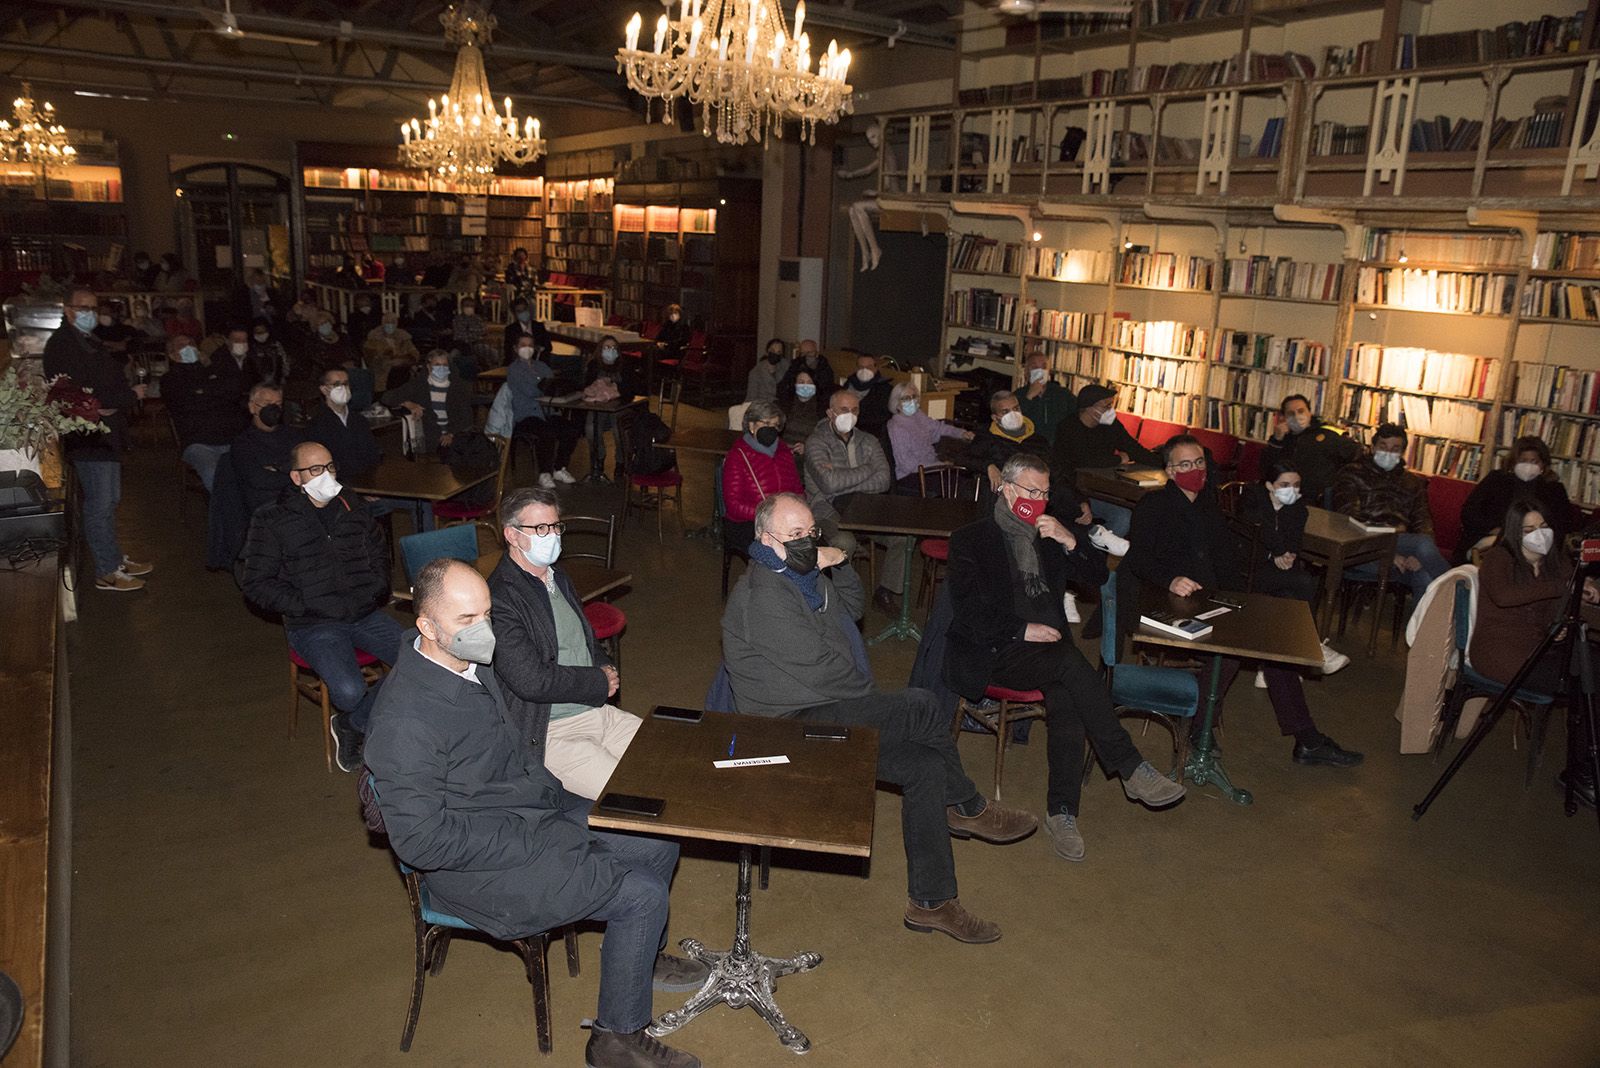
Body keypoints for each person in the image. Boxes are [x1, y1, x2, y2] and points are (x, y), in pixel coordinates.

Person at [364, 558, 707, 1068]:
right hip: (478, 865)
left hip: (528, 816)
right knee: (642, 894)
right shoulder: (406, 720)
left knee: (656, 837)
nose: (483, 630)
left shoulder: (472, 666)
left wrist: (555, 805)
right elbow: (420, 843)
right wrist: (535, 838)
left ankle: (642, 958)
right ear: (426, 627)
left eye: (486, 614)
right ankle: (615, 1039)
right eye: (466, 621)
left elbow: (513, 753)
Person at [721, 493, 1038, 943]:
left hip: (822, 711)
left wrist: (838, 563)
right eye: (794, 536)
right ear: (764, 539)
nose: (806, 543)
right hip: (787, 729)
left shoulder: (799, 573)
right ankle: (967, 805)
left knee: (926, 767)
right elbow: (826, 672)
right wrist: (875, 704)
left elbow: (852, 608)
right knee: (920, 705)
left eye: (810, 533)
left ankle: (932, 902)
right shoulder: (763, 595)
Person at [946, 454, 1185, 862]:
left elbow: (1096, 576)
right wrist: (1022, 630)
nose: (1037, 501)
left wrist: (1071, 539)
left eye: (1044, 493)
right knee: (1070, 664)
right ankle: (1129, 767)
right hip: (996, 649)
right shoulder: (972, 538)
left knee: (1069, 692)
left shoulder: (1050, 531)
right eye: (1030, 492)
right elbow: (969, 611)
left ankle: (1063, 813)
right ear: (1005, 488)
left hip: (1050, 652)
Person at [1124, 435, 1363, 768]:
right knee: (1231, 651)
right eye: (1184, 464)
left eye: (1198, 463)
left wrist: (1242, 600)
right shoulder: (1154, 505)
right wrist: (1171, 580)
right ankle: (1199, 730)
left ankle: (1307, 739)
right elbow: (1138, 559)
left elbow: (1226, 561)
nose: (1194, 470)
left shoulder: (1208, 506)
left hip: (1207, 598)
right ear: (1169, 470)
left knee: (1269, 641)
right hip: (1163, 599)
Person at [240, 441, 402, 771]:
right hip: (313, 623)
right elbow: (255, 582)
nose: (326, 475)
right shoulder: (272, 519)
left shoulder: (352, 509)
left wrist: (372, 593)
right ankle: (357, 714)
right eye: (315, 470)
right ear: (296, 478)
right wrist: (305, 605)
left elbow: (379, 559)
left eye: (330, 467)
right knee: (348, 690)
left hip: (362, 612)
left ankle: (352, 724)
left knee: (426, 659)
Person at [489, 488, 642, 797]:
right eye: (541, 529)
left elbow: (584, 639)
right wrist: (597, 681)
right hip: (551, 731)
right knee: (631, 792)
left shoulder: (557, 577)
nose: (553, 535)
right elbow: (531, 680)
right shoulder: (500, 598)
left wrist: (602, 665)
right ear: (512, 535)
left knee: (666, 758)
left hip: (596, 712)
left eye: (556, 526)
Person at [1472, 499, 1600, 807]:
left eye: (1543, 527)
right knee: (1588, 680)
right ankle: (1583, 774)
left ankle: (1584, 769)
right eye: (1529, 529)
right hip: (1501, 653)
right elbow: (1505, 597)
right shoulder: (1499, 558)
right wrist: (1563, 588)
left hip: (1542, 647)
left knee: (1594, 667)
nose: (1538, 534)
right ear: (1515, 532)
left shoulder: (1554, 561)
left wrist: (1582, 601)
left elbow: (1565, 606)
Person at [44, 287, 151, 592]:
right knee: (100, 504)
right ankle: (106, 570)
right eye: (83, 307)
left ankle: (114, 559)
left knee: (110, 500)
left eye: (93, 306)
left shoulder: (86, 339)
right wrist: (127, 395)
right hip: (89, 435)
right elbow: (77, 394)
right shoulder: (64, 344)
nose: (90, 312)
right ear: (68, 310)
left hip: (105, 433)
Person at [1236, 458, 1350, 675]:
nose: (1292, 490)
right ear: (1269, 485)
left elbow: (1295, 540)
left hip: (1277, 569)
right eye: (1285, 485)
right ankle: (1314, 647)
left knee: (1290, 595)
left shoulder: (1298, 508)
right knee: (1304, 582)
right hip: (1247, 567)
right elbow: (1260, 529)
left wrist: (1288, 555)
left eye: (1296, 485)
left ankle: (1271, 671)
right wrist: (1276, 552)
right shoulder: (1252, 497)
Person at [802, 389, 902, 614]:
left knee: (902, 538)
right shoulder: (816, 442)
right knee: (844, 542)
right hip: (826, 507)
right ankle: (842, 600)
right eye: (844, 410)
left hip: (866, 506)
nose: (850, 414)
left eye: (855, 409)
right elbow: (828, 485)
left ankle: (885, 591)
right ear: (830, 412)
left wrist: (841, 476)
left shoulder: (869, 440)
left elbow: (884, 481)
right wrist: (868, 469)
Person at [1330, 422, 1450, 606]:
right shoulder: (1352, 474)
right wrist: (1387, 554)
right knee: (1423, 544)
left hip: (1401, 545)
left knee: (1425, 575)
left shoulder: (1413, 483)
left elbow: (1423, 520)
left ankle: (1420, 634)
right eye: (1383, 447)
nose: (1388, 452)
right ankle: (1460, 590)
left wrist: (1417, 558)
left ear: (1402, 452)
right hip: (1361, 548)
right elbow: (1348, 520)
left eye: (1395, 449)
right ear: (1373, 447)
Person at [1050, 383, 1161, 537]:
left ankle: (1096, 548)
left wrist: (1165, 463)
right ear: (1089, 407)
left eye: (1111, 405)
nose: (1111, 410)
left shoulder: (1111, 425)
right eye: (1106, 406)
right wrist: (1118, 459)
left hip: (1103, 490)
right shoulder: (1068, 428)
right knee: (1122, 518)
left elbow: (1134, 449)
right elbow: (1084, 459)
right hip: (1072, 491)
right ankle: (1089, 549)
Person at [1459, 436, 1574, 562]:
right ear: (1514, 462)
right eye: (1523, 460)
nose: (1528, 466)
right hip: (1493, 539)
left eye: (1534, 461)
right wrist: (1494, 529)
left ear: (1543, 465)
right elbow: (1469, 512)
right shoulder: (1495, 480)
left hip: (1536, 544)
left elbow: (1563, 524)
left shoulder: (1554, 489)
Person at [164, 333, 248, 492]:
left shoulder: (214, 371)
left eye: (191, 343)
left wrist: (204, 388)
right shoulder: (171, 380)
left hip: (231, 438)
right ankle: (225, 514)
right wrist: (213, 395)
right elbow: (186, 404)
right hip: (200, 443)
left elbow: (234, 391)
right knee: (215, 474)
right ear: (172, 354)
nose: (189, 347)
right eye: (182, 346)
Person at [723, 400, 804, 550]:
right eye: (765, 424)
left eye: (775, 425)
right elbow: (733, 505)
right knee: (783, 552)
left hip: (783, 522)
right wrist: (768, 516)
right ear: (752, 426)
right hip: (747, 524)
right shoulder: (737, 456)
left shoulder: (784, 451)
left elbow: (797, 490)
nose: (771, 429)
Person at [1262, 393, 1361, 506]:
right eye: (1291, 413)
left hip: (1318, 501)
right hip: (1286, 497)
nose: (1296, 416)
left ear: (1309, 412)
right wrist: (1276, 440)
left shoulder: (1327, 435)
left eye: (1301, 411)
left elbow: (1356, 455)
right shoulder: (1281, 439)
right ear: (1284, 417)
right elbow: (1267, 469)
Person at [507, 339, 581, 487]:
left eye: (530, 345)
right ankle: (544, 473)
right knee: (546, 432)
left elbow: (553, 386)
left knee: (571, 429)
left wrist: (547, 386)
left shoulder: (542, 366)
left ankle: (559, 468)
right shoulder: (514, 369)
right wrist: (543, 384)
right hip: (526, 415)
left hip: (547, 411)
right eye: (523, 345)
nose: (527, 348)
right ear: (516, 348)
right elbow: (531, 391)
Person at [231, 383, 308, 514]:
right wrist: (295, 474)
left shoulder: (294, 435)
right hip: (267, 507)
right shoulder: (243, 443)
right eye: (267, 404)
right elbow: (259, 480)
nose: (273, 409)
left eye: (278, 404)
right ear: (252, 407)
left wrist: (277, 469)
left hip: (300, 500)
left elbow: (309, 465)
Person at [382, 350, 473, 459]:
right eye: (437, 365)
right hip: (428, 438)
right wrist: (408, 403)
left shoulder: (458, 387)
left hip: (454, 436)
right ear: (429, 367)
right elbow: (387, 397)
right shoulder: (419, 385)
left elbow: (466, 417)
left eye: (445, 365)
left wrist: (451, 434)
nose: (441, 368)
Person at [886, 379, 973, 488]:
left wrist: (962, 433)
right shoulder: (896, 427)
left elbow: (939, 428)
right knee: (957, 485)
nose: (912, 401)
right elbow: (907, 465)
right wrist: (940, 466)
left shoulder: (918, 415)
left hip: (931, 468)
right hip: (911, 475)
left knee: (966, 477)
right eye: (907, 398)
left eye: (914, 397)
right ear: (896, 402)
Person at [307, 367, 383, 486]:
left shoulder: (359, 420)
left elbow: (372, 456)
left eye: (346, 384)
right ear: (324, 389)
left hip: (370, 484)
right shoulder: (317, 425)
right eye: (337, 384)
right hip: (342, 489)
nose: (343, 388)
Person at [1016, 349, 1076, 446]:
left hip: (1057, 448)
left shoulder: (1063, 394)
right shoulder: (1018, 395)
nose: (1040, 371)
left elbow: (1077, 417)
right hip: (1029, 447)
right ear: (1026, 372)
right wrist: (1029, 397)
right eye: (1035, 367)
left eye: (1044, 367)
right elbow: (1014, 423)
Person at [363, 311, 420, 395]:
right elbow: (370, 357)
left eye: (393, 322)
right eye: (387, 322)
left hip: (404, 369)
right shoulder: (373, 339)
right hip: (383, 373)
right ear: (382, 323)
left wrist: (403, 360)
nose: (390, 324)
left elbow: (415, 353)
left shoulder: (404, 337)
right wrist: (389, 360)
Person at [209, 326, 273, 390]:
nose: (241, 343)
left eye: (244, 340)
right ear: (227, 341)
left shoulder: (253, 356)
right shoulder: (217, 358)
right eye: (237, 340)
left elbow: (260, 379)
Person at [778, 339, 838, 408]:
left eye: (809, 353)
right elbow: (784, 386)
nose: (806, 356)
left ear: (817, 353)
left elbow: (827, 390)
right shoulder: (795, 365)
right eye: (803, 353)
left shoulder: (824, 367)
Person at [844, 353, 894, 435]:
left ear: (875, 368)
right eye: (861, 367)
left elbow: (882, 417)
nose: (864, 370)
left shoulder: (885, 388)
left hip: (870, 432)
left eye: (869, 367)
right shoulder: (849, 383)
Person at [779, 369, 822, 454]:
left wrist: (807, 448)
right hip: (783, 451)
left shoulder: (822, 409)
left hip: (810, 453)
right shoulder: (784, 405)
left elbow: (823, 437)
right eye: (801, 382)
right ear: (795, 384)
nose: (805, 386)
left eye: (810, 383)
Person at [503, 298, 553, 365]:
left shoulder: (538, 326)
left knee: (568, 361)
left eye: (524, 309)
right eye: (519, 311)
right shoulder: (511, 330)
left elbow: (548, 346)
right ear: (514, 314)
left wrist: (539, 349)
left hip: (542, 360)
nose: (523, 313)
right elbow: (509, 352)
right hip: (520, 363)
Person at [746, 338, 790, 403]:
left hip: (782, 404)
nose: (775, 354)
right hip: (763, 405)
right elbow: (751, 397)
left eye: (779, 352)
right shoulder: (756, 372)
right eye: (772, 350)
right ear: (767, 352)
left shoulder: (785, 365)